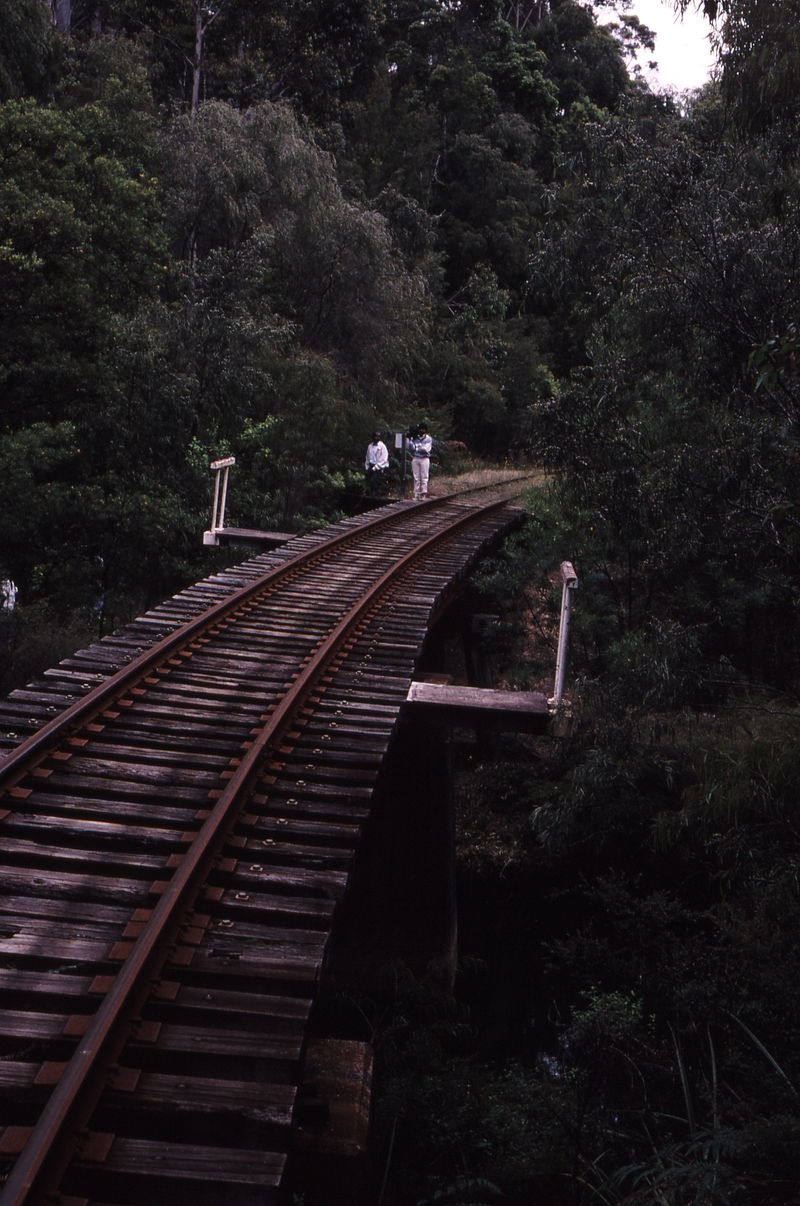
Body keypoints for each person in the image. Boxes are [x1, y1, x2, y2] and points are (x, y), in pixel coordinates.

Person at [408, 421, 432, 500]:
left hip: (425, 458)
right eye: (420, 429)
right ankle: (416, 494)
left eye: (423, 429)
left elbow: (426, 449)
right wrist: (410, 440)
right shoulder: (415, 438)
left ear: (426, 430)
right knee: (416, 477)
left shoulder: (428, 439)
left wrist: (417, 448)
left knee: (424, 477)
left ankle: (423, 494)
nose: (421, 431)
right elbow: (411, 448)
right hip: (416, 458)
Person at [365, 430, 389, 496]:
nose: (375, 438)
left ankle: (375, 495)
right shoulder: (370, 446)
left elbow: (383, 460)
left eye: (377, 437)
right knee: (369, 482)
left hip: (379, 467)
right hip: (371, 466)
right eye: (374, 436)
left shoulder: (382, 447)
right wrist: (367, 468)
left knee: (374, 481)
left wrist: (375, 468)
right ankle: (371, 494)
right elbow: (367, 457)